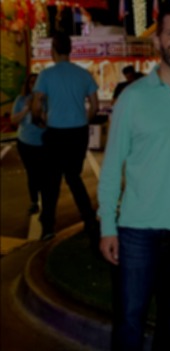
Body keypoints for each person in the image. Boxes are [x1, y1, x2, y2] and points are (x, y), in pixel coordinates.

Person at [93, 5, 170, 351]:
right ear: (157, 41)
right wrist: (108, 227)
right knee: (130, 315)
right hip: (136, 229)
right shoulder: (133, 98)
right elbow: (112, 167)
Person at [32, 31, 99, 242]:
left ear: (53, 51)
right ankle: (89, 221)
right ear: (70, 50)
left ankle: (48, 228)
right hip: (78, 133)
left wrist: (40, 120)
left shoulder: (46, 75)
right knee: (74, 178)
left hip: (55, 133)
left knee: (50, 182)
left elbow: (36, 104)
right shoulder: (83, 74)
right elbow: (94, 105)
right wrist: (84, 119)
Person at [11, 73, 46, 215]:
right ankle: (34, 202)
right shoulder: (20, 100)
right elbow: (13, 120)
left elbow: (48, 123)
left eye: (36, 82)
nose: (34, 85)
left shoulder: (46, 100)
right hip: (25, 142)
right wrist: (26, 109)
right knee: (32, 174)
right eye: (31, 82)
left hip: (43, 143)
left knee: (44, 174)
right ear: (27, 85)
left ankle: (46, 202)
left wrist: (41, 112)